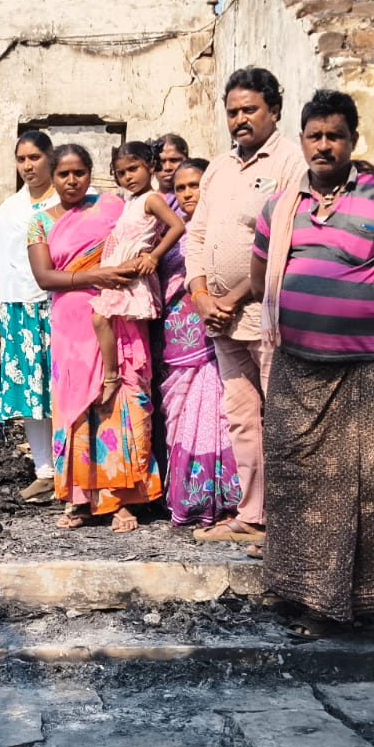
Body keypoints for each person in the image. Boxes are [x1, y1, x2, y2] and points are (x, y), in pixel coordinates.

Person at [250, 89, 374, 650]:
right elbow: (261, 278)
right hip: (294, 366)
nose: (325, 145)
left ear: (354, 140)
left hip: (359, 369)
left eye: (336, 136)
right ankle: (309, 598)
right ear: (302, 140)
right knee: (297, 483)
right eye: (315, 136)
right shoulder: (280, 205)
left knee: (367, 489)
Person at [188, 67, 310, 545]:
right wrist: (201, 295)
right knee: (241, 417)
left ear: (273, 110)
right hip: (220, 319)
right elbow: (197, 235)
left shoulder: (290, 163)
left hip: (265, 314)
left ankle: (292, 523)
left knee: (282, 417)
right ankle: (253, 516)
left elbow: (286, 241)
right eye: (232, 111)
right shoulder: (219, 167)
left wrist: (235, 295)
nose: (240, 119)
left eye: (250, 109)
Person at [27, 144, 163, 532]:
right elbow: (45, 277)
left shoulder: (112, 206)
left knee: (118, 402)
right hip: (71, 325)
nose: (72, 181)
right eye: (63, 174)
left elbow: (144, 238)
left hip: (117, 314)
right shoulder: (40, 222)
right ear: (52, 177)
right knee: (75, 409)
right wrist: (95, 276)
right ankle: (82, 499)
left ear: (90, 173)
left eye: (79, 173)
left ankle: (121, 500)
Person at [158, 159, 242, 528]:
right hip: (175, 338)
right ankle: (189, 497)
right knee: (180, 416)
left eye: (196, 185)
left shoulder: (221, 231)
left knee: (215, 411)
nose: (188, 193)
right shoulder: (168, 232)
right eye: (181, 188)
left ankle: (226, 498)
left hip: (213, 334)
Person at [0, 132, 58, 502]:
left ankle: (73, 471)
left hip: (59, 308)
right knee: (31, 395)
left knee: (62, 391)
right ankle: (45, 472)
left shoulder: (67, 202)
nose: (28, 166)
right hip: (17, 312)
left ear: (50, 157)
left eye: (35, 157)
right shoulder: (9, 209)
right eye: (21, 159)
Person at [90, 142, 185, 407]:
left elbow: (177, 226)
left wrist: (153, 256)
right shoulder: (130, 201)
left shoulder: (152, 199)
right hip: (120, 270)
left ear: (150, 166)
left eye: (133, 169)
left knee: (100, 319)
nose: (128, 177)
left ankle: (113, 377)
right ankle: (117, 377)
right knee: (116, 329)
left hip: (132, 274)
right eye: (121, 173)